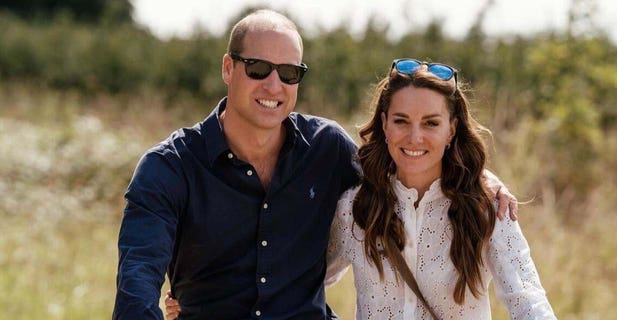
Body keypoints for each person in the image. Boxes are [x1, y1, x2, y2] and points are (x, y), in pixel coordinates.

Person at [115, 9, 516, 320]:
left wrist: (478, 177)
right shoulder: (168, 169)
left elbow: (406, 171)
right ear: (227, 68)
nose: (274, 86)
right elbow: (136, 287)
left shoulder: (326, 150)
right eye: (258, 69)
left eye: (289, 73)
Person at [324, 59, 556, 319]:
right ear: (385, 124)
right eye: (401, 121)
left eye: (431, 123)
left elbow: (528, 302)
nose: (414, 137)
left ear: (451, 130)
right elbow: (305, 284)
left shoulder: (488, 207)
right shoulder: (355, 207)